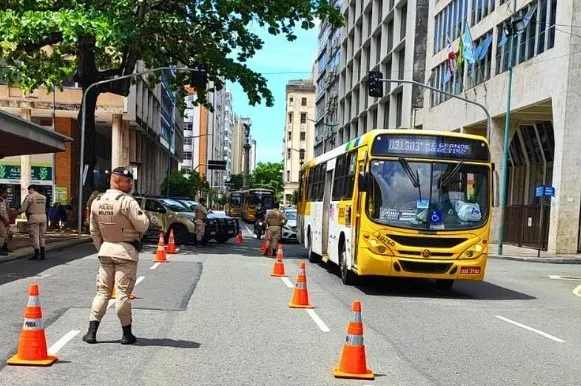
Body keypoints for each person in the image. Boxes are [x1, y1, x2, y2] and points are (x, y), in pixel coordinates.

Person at [82, 167, 150, 345]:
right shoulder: (127, 202)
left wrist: (102, 248)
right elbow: (143, 226)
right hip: (125, 253)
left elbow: (94, 230)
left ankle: (91, 332)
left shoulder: (97, 201)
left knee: (102, 292)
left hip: (105, 252)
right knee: (122, 294)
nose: (130, 184)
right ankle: (126, 333)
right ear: (117, 181)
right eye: (128, 181)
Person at [17, 184, 47, 261]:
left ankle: (36, 254)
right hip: (43, 217)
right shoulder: (43, 197)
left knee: (34, 236)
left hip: (33, 217)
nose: (28, 191)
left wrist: (18, 212)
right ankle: (43, 254)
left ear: (31, 189)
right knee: (42, 236)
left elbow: (23, 208)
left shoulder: (29, 196)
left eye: (29, 190)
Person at [0, 187, 10, 256]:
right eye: (5, 193)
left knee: (6, 235)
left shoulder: (4, 200)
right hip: (1, 221)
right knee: (2, 235)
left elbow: (6, 211)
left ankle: (5, 247)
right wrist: (4, 220)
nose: (7, 194)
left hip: (6, 220)